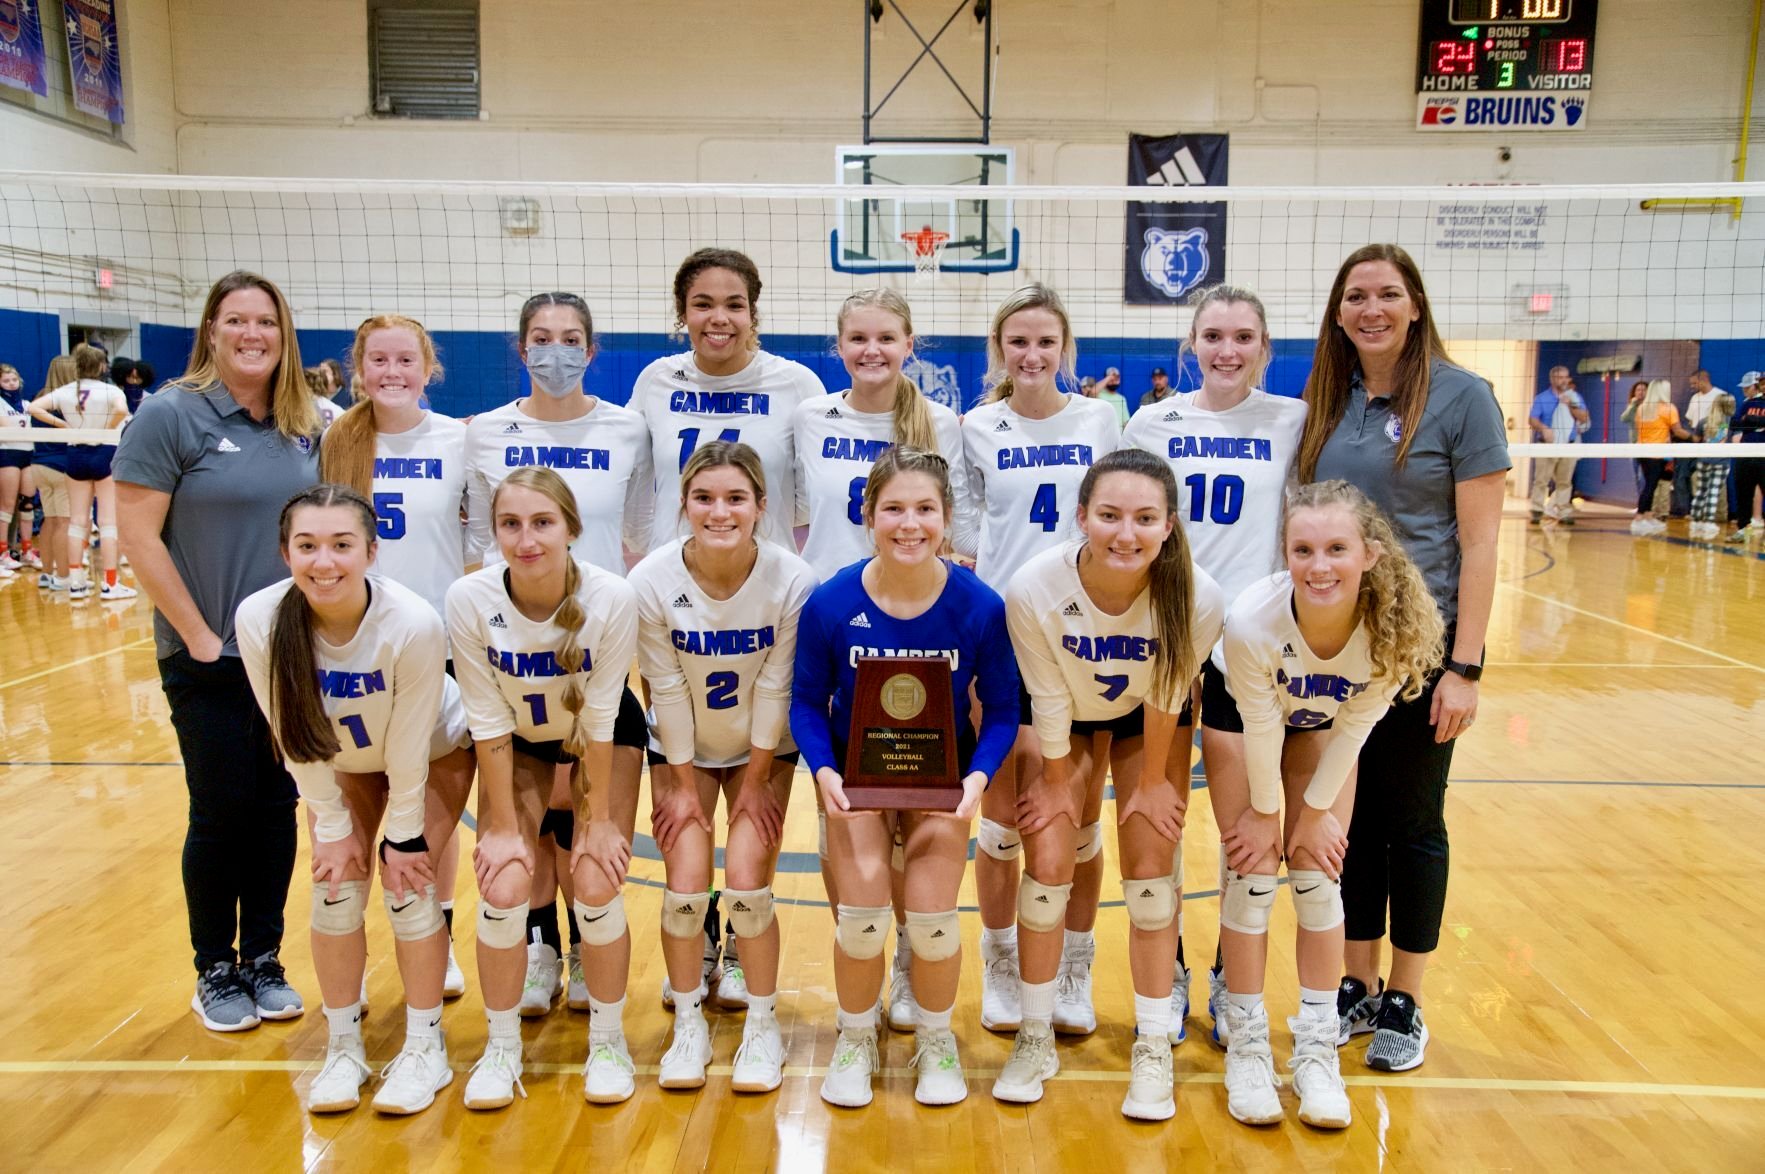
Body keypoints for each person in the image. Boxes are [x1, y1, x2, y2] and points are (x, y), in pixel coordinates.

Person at [1296, 244, 1510, 1073]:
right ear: (1339, 311)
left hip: (1420, 653)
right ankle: (1355, 983)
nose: (1371, 309)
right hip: (1332, 647)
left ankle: (1406, 998)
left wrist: (1466, 667)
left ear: (1415, 305)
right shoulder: (1328, 399)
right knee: (1346, 824)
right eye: (1355, 296)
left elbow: (1482, 544)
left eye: (1388, 294)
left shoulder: (1461, 398)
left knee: (1413, 826)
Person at [115, 270, 322, 1031]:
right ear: (212, 330)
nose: (251, 335)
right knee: (221, 810)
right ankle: (215, 968)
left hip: (289, 657)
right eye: (235, 321)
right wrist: (200, 635)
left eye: (265, 321)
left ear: (284, 332)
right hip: (206, 654)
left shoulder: (306, 421)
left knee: (277, 807)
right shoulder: (173, 414)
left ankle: (263, 959)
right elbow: (136, 534)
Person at [789, 446, 1019, 1110]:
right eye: (893, 508)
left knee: (934, 921)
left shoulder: (978, 604)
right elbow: (806, 701)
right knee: (860, 919)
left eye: (924, 509)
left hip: (941, 781)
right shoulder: (832, 600)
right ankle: (855, 1037)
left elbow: (1002, 707)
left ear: (946, 519)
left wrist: (978, 778)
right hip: (856, 778)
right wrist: (823, 768)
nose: (908, 523)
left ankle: (936, 1038)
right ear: (868, 515)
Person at [236, 484, 476, 1116]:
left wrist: (402, 837)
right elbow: (289, 731)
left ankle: (426, 1047)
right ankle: (343, 1045)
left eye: (342, 545)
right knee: (335, 886)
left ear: (371, 552)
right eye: (307, 545)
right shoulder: (261, 618)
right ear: (284, 551)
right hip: (338, 761)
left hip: (431, 754)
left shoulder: (412, 623)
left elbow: (407, 750)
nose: (325, 561)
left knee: (408, 884)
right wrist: (333, 823)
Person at [1211, 480, 1443, 1129]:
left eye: (1335, 548)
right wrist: (1265, 814)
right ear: (1283, 552)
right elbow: (1259, 724)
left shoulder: (1394, 629)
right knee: (1250, 873)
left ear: (1368, 553)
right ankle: (1248, 1045)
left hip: (1325, 721)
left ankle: (1315, 1048)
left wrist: (1312, 814)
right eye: (1302, 549)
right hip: (1242, 711)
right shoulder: (1253, 622)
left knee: (1316, 873)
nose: (1318, 566)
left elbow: (1355, 730)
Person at [1000, 448, 1223, 1118]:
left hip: (1141, 720)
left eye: (1144, 518)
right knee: (1045, 863)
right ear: (1081, 517)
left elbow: (1166, 694)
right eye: (1109, 515)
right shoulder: (1034, 587)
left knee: (1152, 873)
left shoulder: (1197, 596)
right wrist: (1053, 776)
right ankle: (1034, 1034)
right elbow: (1046, 695)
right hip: (1058, 710)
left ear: (1169, 525)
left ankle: (1152, 1047)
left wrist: (1153, 780)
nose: (1125, 533)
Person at [1124, 282, 1307, 1048]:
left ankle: (1235, 970)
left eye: (1242, 337)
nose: (1226, 350)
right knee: (1156, 813)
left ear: (1264, 349)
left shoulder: (1292, 421)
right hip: (1166, 633)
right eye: (1212, 336)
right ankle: (1163, 963)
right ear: (1189, 345)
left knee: (1243, 826)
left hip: (1249, 647)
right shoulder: (1149, 421)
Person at [463, 292, 652, 1020]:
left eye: (570, 338)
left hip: (592, 641)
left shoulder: (626, 428)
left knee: (582, 809)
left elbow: (635, 531)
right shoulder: (484, 433)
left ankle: (585, 951)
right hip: (511, 643)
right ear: (520, 349)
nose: (555, 350)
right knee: (525, 815)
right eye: (540, 338)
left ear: (592, 349)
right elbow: (479, 535)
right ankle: (541, 946)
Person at [445, 466, 639, 1109]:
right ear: (493, 531)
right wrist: (502, 825)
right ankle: (501, 1048)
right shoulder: (469, 600)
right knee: (503, 883)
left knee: (594, 878)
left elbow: (604, 714)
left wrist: (599, 820)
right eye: (510, 524)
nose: (526, 539)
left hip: (601, 734)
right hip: (516, 739)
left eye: (542, 522)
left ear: (571, 529)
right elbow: (487, 719)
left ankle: (608, 1042)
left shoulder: (611, 597)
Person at [628, 441, 817, 1092]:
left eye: (736, 498)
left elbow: (776, 687)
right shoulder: (650, 580)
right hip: (682, 746)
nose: (719, 511)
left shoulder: (791, 580)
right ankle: (687, 1021)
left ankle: (761, 1025)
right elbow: (666, 687)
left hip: (762, 746)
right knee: (683, 887)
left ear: (761, 507)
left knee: (746, 883)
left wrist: (758, 780)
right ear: (683, 505)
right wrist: (681, 786)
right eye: (704, 497)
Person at [960, 283, 1119, 1037]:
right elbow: (962, 537)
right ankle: (997, 959)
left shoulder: (1098, 419)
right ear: (999, 350)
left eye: (1045, 342)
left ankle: (1073, 966)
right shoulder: (975, 426)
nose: (1030, 355)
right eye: (1016, 341)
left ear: (1066, 351)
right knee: (1001, 820)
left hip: (1082, 627)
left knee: (1078, 816)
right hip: (1000, 631)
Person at [319, 313, 473, 996]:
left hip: (437, 641)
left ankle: (434, 943)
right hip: (354, 646)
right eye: (377, 360)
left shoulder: (458, 440)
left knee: (431, 813)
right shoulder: (339, 439)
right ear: (359, 368)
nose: (391, 372)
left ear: (428, 367)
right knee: (359, 804)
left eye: (405, 360)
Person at [630, 247, 826, 553]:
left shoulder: (796, 384)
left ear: (751, 314)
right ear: (683, 313)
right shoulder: (656, 380)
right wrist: (663, 546)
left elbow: (812, 497)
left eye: (734, 305)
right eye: (703, 304)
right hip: (674, 577)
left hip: (765, 576)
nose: (719, 318)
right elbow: (635, 487)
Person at [29, 343, 134, 599]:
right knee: (108, 522)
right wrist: (106, 429)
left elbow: (33, 408)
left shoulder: (66, 391)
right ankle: (110, 584)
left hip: (76, 454)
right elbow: (122, 410)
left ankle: (76, 583)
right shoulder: (110, 390)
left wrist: (63, 424)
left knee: (77, 521)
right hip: (105, 454)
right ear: (101, 366)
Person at [27, 356, 77, 589]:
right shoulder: (69, 401)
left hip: (38, 465)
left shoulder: (40, 398)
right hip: (61, 467)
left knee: (50, 520)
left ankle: (47, 573)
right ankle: (64, 577)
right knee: (64, 523)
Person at [1621, 379, 1689, 535]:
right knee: (1650, 486)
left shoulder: (1642, 408)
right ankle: (1639, 519)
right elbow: (1677, 431)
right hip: (1657, 453)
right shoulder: (1668, 408)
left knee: (1650, 485)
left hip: (1642, 452)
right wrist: (1694, 439)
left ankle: (1648, 516)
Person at [1525, 365, 1590, 525]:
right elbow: (1532, 419)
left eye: (1566, 377)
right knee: (1541, 480)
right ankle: (1537, 510)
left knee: (1565, 481)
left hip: (1569, 445)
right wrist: (1543, 428)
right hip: (1547, 445)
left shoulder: (1575, 397)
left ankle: (1563, 510)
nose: (1564, 380)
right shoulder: (1542, 398)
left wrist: (1570, 405)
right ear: (1553, 379)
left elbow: (1584, 418)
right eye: (1560, 377)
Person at [0, 363, 37, 576]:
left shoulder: (26, 404)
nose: (11, 383)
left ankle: (27, 550)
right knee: (6, 505)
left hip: (27, 454)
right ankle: (3, 553)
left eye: (14, 379)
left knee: (27, 504)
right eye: (6, 380)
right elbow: (9, 428)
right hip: (8, 455)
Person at [1670, 370, 1723, 518]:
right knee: (1681, 475)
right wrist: (1693, 437)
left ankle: (1712, 513)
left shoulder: (1720, 396)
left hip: (1712, 443)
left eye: (1694, 383)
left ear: (1704, 379)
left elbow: (1724, 423)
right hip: (1694, 441)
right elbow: (1691, 421)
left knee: (1707, 478)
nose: (1692, 386)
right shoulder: (1694, 398)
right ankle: (1686, 511)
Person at [1689, 388, 1736, 540]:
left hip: (1703, 460)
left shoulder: (1704, 421)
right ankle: (1709, 522)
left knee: (1701, 490)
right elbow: (1734, 441)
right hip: (1721, 461)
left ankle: (1696, 521)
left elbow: (1695, 439)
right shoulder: (1729, 422)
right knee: (1714, 491)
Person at [1725, 371, 1765, 543]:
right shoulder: (1748, 403)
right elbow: (1734, 423)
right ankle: (1743, 529)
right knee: (1743, 494)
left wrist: (1749, 420)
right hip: (1746, 454)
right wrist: (1753, 420)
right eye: (1762, 383)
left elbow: (1746, 421)